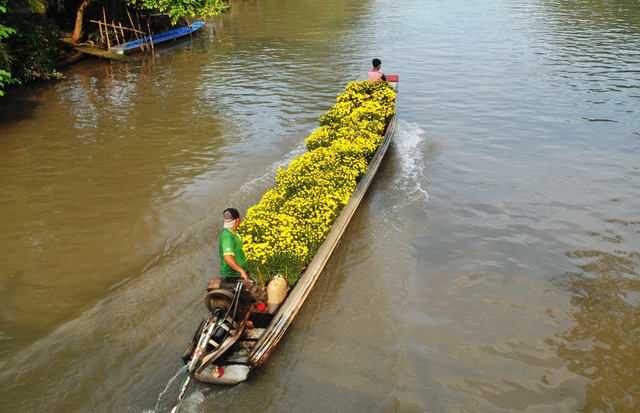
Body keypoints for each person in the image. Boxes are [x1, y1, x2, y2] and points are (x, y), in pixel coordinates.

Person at [219, 208, 249, 281]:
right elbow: (228, 257)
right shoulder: (228, 237)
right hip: (233, 274)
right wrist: (241, 271)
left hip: (238, 272)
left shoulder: (230, 232)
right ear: (237, 220)